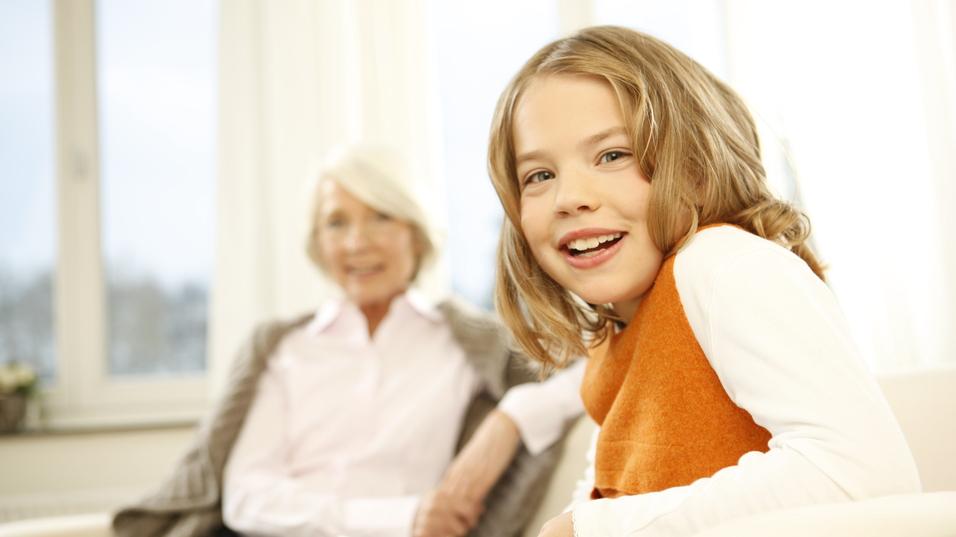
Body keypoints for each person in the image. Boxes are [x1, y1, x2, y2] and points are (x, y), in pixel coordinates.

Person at [484, 26, 921, 536]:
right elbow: (615, 490)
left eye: (612, 155)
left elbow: (860, 473)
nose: (569, 197)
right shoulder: (617, 335)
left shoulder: (723, 266)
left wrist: (588, 527)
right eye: (539, 175)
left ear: (695, 168)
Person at [112, 144, 584, 537]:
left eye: (380, 217)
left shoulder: (470, 343)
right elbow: (246, 495)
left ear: (416, 235)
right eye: (337, 223)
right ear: (318, 244)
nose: (357, 242)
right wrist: (403, 517)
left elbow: (594, 367)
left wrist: (512, 417)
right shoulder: (281, 348)